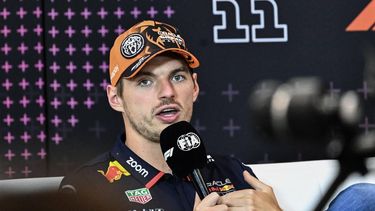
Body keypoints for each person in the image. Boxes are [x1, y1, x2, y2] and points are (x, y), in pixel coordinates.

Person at [59, 20, 375, 211]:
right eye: (145, 81)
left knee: (361, 199)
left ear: (195, 87)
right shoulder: (89, 187)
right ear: (116, 98)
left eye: (178, 77)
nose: (167, 92)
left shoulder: (231, 171)